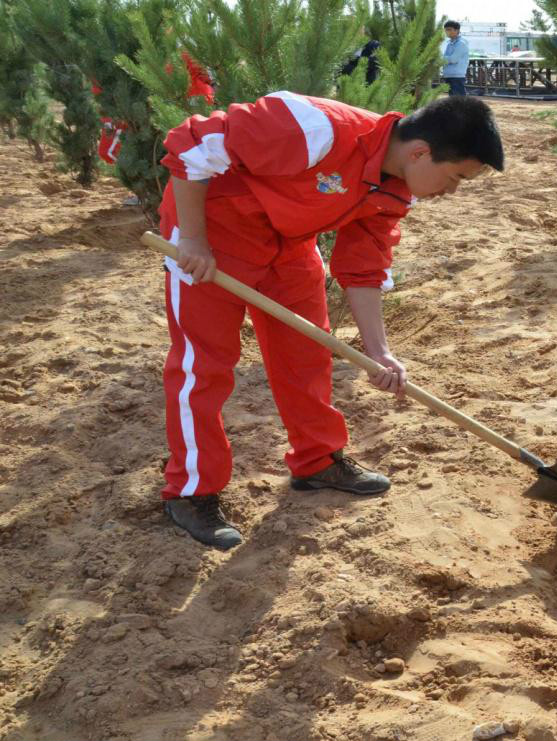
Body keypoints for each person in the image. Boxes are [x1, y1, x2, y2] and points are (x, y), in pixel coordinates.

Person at [158, 93, 504, 550]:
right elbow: (191, 145)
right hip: (214, 236)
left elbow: (363, 267)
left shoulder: (395, 187)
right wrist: (196, 239)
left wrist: (378, 350)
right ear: (420, 152)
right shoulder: (313, 128)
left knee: (308, 355)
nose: (452, 191)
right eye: (456, 177)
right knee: (203, 366)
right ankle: (191, 491)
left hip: (289, 243)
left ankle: (317, 460)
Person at [442, 20, 469, 96]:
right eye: (446, 30)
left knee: (458, 101)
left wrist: (441, 59)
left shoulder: (461, 44)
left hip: (457, 76)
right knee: (453, 101)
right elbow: (448, 58)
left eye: (449, 29)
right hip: (449, 75)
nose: (447, 32)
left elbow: (454, 59)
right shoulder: (449, 44)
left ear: (457, 30)